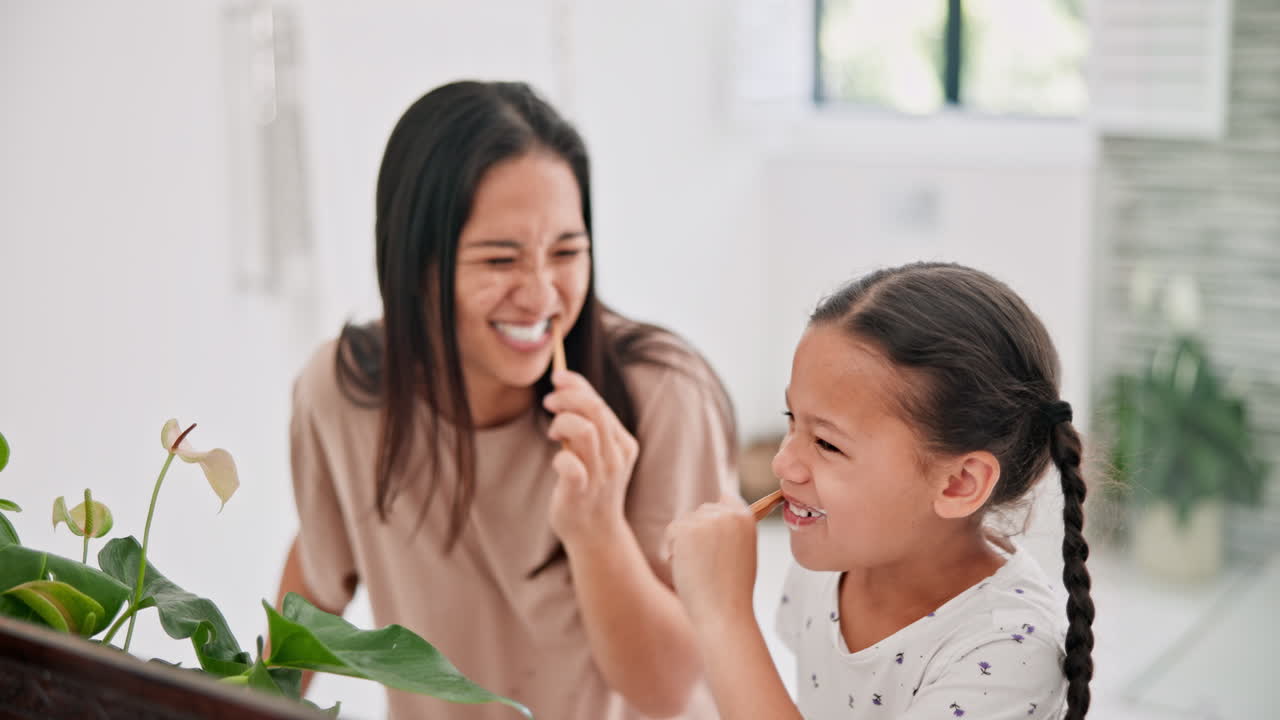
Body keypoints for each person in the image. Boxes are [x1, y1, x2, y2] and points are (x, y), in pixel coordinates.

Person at [276, 80, 737, 719]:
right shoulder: (341, 393)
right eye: (500, 260)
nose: (542, 295)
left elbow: (668, 691)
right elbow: (316, 580)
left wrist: (597, 529)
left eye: (567, 251)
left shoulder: (664, 393)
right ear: (414, 265)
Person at [667, 262, 1095, 719]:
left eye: (827, 443)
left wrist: (724, 616)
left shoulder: (1009, 653)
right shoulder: (828, 562)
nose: (781, 463)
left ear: (959, 483)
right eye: (791, 419)